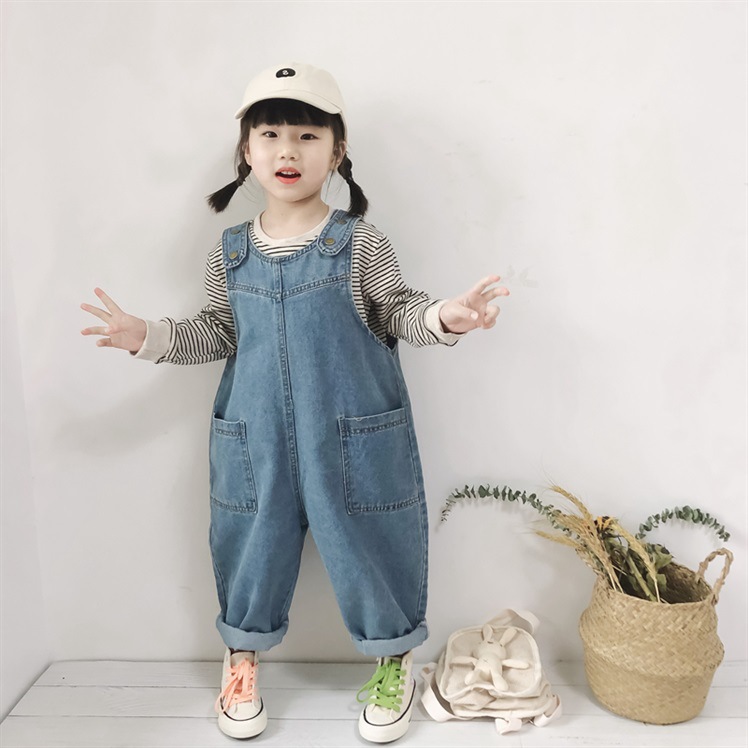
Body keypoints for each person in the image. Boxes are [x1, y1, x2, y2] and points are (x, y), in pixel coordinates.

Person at [80, 62, 509, 743]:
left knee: (372, 540)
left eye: (308, 136)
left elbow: (398, 310)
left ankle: (394, 657)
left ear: (336, 151)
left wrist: (446, 317)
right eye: (271, 134)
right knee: (250, 542)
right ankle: (241, 658)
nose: (288, 150)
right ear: (246, 151)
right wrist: (148, 337)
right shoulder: (231, 252)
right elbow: (216, 331)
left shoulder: (360, 241)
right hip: (255, 438)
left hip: (353, 435)